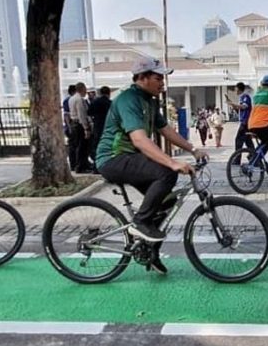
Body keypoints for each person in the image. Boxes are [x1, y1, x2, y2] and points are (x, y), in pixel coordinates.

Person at [96, 56, 208, 274]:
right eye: (158, 78)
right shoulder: (128, 99)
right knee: (166, 173)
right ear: (142, 78)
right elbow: (139, 140)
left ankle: (149, 252)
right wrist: (172, 162)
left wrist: (193, 150)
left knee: (165, 203)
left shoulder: (149, 100)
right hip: (113, 158)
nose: (163, 82)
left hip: (130, 158)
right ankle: (140, 223)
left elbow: (165, 130)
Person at [68, 82, 94, 173]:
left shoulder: (71, 98)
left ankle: (81, 164)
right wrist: (86, 128)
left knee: (78, 145)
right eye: (85, 89)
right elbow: (82, 114)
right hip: (79, 125)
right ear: (82, 89)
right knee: (82, 146)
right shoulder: (79, 99)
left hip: (74, 123)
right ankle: (81, 166)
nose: (86, 91)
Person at [87, 86, 112, 173]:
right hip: (107, 127)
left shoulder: (95, 102)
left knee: (96, 146)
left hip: (97, 126)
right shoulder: (110, 103)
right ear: (109, 93)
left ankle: (95, 166)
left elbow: (89, 112)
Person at [226, 82, 253, 157]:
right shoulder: (241, 98)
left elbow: (244, 107)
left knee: (238, 140)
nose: (235, 91)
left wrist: (233, 104)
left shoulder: (245, 97)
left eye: (236, 89)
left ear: (239, 89)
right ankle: (255, 157)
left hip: (245, 122)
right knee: (248, 141)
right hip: (243, 121)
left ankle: (237, 159)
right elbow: (240, 110)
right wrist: (233, 106)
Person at [63, 84, 77, 170]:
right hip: (71, 126)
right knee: (73, 146)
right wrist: (70, 127)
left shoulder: (68, 100)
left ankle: (74, 163)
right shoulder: (69, 101)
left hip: (70, 126)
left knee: (74, 145)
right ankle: (73, 164)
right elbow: (66, 115)